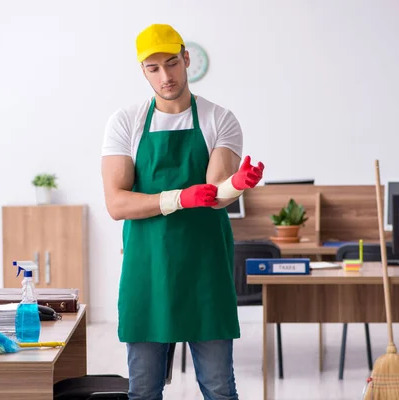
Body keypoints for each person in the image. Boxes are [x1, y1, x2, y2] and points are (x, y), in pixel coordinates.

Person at [101, 23, 264, 400]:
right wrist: (177, 198)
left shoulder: (218, 119)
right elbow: (116, 203)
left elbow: (216, 191)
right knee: (143, 391)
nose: (165, 76)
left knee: (220, 389)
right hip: (148, 270)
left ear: (186, 58)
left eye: (172, 63)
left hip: (205, 270)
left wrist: (237, 185)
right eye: (153, 68)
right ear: (142, 70)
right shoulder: (125, 122)